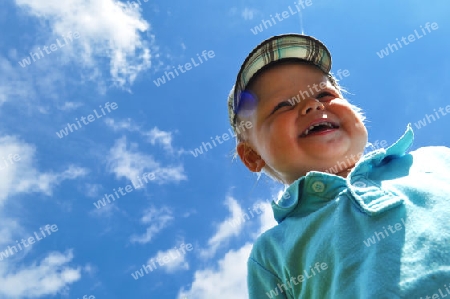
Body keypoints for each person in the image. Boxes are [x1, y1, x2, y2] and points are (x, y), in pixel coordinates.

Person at [227, 33, 450, 298]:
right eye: (282, 105)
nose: (312, 104)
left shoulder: (436, 159)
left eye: (323, 93)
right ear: (253, 156)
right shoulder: (271, 252)